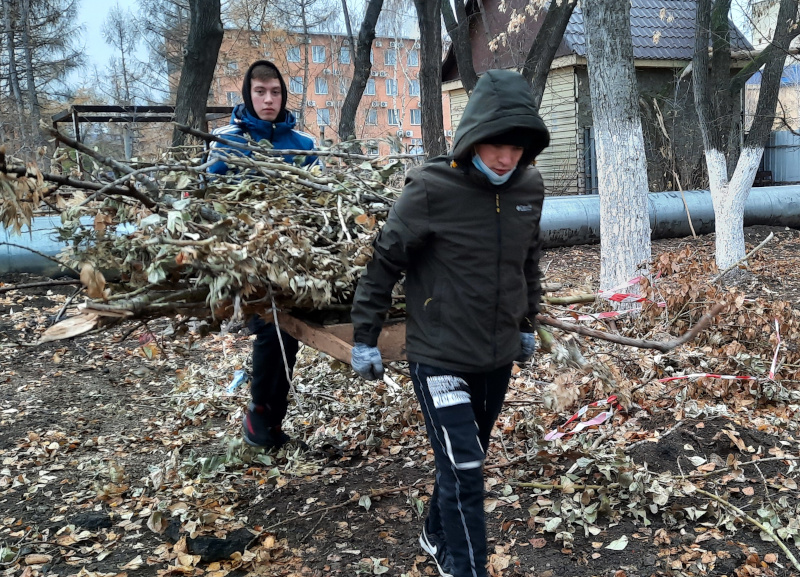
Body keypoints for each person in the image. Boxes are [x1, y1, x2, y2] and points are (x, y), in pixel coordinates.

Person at [349, 69, 550, 577]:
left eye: (518, 148)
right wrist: (365, 336)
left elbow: (529, 259)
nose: (508, 159)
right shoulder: (431, 188)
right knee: (465, 467)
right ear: (474, 137)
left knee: (466, 456)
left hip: (497, 353)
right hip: (439, 354)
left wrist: (526, 322)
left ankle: (433, 531)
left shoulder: (529, 185)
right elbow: (384, 262)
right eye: (497, 146)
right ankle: (466, 567)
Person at [208, 60, 317, 449]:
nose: (268, 99)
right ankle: (260, 420)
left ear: (284, 95)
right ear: (248, 94)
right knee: (274, 332)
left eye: (275, 92)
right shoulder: (228, 141)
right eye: (260, 92)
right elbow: (210, 200)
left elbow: (318, 203)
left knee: (289, 337)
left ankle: (268, 422)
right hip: (246, 263)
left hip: (295, 261)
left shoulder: (302, 145)